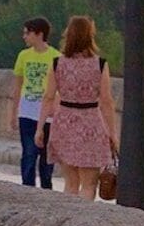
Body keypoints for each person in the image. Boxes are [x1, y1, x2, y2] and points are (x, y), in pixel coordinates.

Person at [46, 15, 114, 200]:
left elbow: (48, 97)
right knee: (89, 183)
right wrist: (113, 133)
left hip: (64, 123)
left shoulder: (57, 63)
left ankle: (69, 218)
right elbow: (106, 101)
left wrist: (39, 128)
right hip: (91, 122)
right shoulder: (99, 64)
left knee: (70, 182)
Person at [11, 17, 61, 190]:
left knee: (46, 158)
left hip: (48, 115)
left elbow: (61, 88)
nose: (24, 37)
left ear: (39, 34)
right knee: (29, 154)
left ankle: (46, 189)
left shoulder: (56, 56)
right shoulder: (23, 56)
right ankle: (27, 188)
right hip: (27, 112)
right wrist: (14, 112)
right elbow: (18, 86)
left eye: (27, 33)